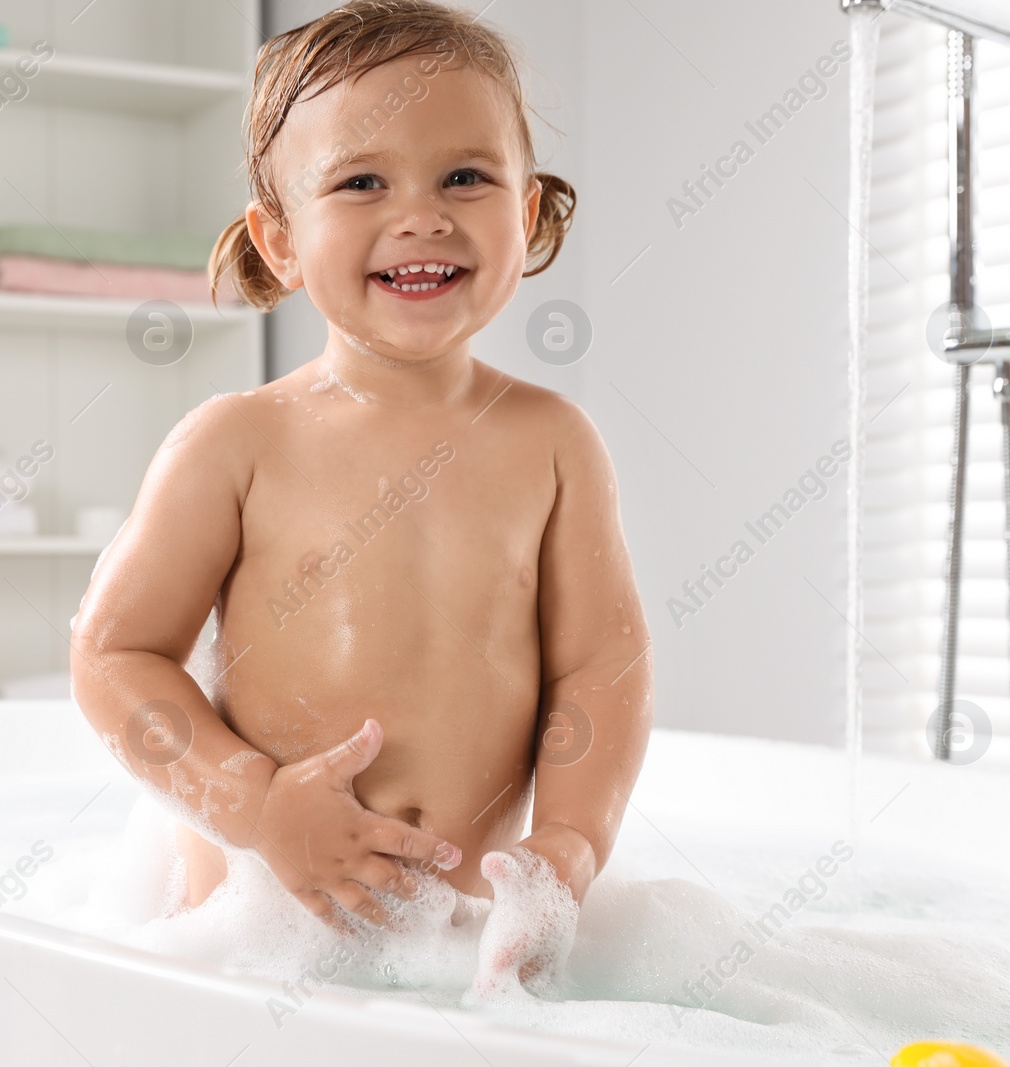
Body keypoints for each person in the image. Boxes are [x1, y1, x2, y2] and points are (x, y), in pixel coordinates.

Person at [71, 0, 651, 997]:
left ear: (524, 213)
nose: (421, 213)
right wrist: (255, 807)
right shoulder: (238, 442)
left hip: (458, 948)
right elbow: (115, 655)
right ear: (281, 238)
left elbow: (599, 665)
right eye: (361, 181)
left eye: (465, 176)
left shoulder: (553, 444)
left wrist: (570, 845)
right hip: (248, 945)